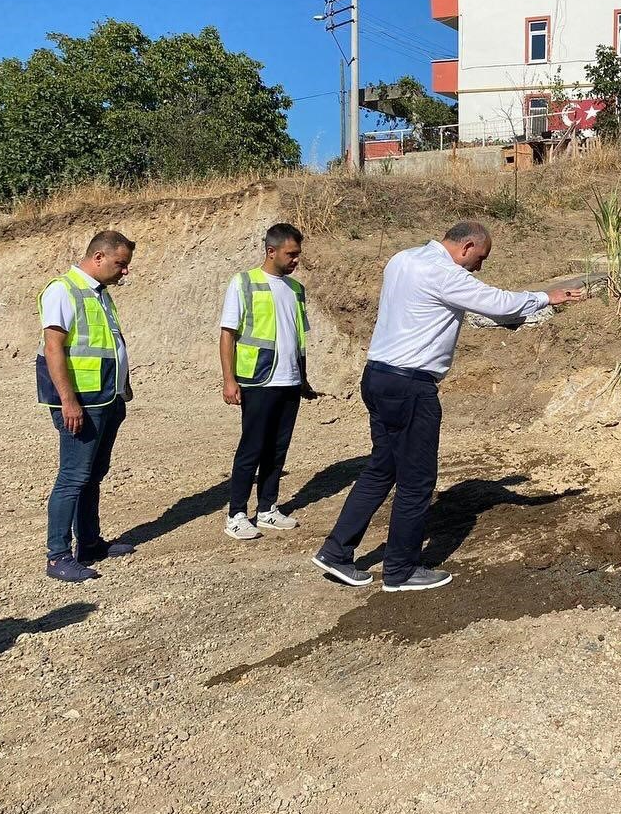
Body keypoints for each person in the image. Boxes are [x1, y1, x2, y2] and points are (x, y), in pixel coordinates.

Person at [312, 221, 585, 592]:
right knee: (416, 482)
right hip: (411, 386)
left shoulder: (403, 259)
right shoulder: (442, 272)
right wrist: (546, 297)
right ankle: (400, 570)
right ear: (467, 246)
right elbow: (495, 302)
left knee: (381, 469)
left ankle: (336, 552)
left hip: (377, 376)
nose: (479, 267)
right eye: (480, 258)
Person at [38, 230, 137, 583]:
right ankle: (58, 556)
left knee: (93, 476)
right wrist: (68, 401)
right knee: (73, 477)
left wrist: (123, 390)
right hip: (81, 403)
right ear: (98, 257)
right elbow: (54, 349)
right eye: (120, 264)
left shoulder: (100, 294)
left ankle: (90, 543)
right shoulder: (63, 290)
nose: (125, 271)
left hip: (107, 399)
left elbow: (109, 346)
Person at [219, 223, 317, 541]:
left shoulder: (296, 290)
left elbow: (297, 339)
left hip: (289, 382)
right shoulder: (244, 283)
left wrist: (302, 378)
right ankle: (236, 514)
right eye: (291, 254)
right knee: (252, 448)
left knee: (278, 448)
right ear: (271, 251)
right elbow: (227, 335)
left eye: (298, 254)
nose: (295, 260)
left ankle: (267, 509)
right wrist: (229, 380)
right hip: (259, 380)